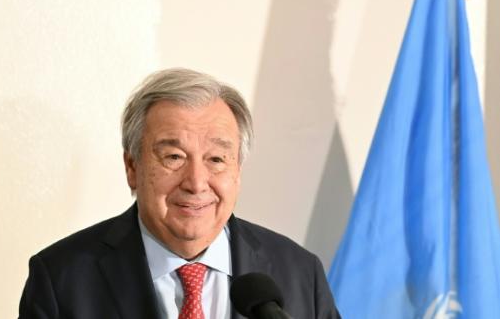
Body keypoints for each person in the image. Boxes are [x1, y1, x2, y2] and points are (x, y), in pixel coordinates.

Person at [18, 68, 341, 318]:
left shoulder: (299, 272)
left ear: (238, 171)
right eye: (174, 157)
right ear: (132, 167)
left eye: (216, 159)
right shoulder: (62, 278)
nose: (196, 182)